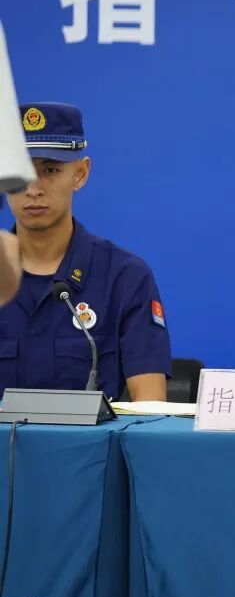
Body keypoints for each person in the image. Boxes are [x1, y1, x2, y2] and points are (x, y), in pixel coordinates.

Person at [0, 102, 171, 401]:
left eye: (50, 170)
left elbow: (151, 407)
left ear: (80, 174)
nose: (33, 189)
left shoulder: (125, 277)